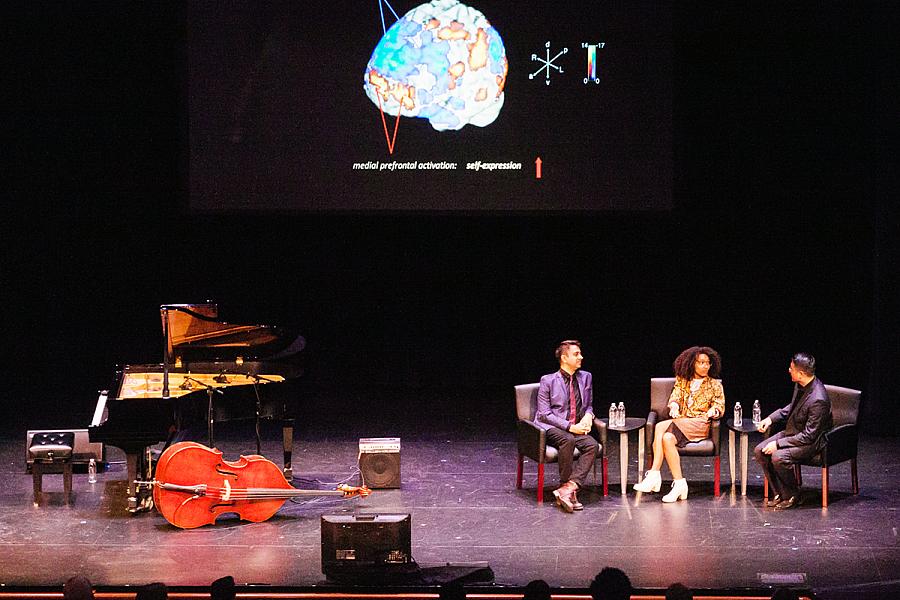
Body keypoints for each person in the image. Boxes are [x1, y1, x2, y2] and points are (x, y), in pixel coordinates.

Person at [634, 346, 725, 502]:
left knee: (660, 426)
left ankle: (654, 474)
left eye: (707, 363)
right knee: (667, 438)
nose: (705, 366)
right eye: (701, 362)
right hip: (682, 421)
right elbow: (675, 397)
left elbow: (719, 404)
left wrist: (714, 410)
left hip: (699, 423)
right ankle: (680, 484)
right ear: (692, 364)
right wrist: (674, 406)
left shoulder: (714, 384)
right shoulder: (683, 380)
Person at [754, 352, 831, 510]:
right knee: (759, 451)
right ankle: (780, 493)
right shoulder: (801, 385)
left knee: (778, 456)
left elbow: (809, 436)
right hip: (794, 433)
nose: (789, 370)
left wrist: (778, 444)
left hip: (811, 443)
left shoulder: (819, 399)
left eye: (791, 368)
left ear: (801, 373)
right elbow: (794, 407)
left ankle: (793, 495)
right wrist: (771, 419)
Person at [534, 339, 599, 513]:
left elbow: (589, 405)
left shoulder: (586, 377)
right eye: (576, 354)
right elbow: (544, 414)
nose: (581, 357)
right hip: (551, 427)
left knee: (592, 445)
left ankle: (568, 488)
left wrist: (588, 415)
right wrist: (570, 427)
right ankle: (565, 486)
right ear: (564, 358)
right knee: (568, 439)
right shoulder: (548, 380)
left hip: (575, 427)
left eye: (580, 353)